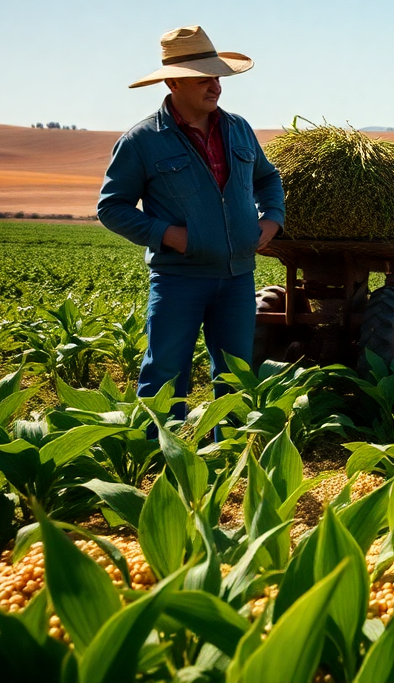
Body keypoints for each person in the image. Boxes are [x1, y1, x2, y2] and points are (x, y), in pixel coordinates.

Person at [97, 26, 284, 439]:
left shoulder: (239, 129)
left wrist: (272, 218)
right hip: (178, 278)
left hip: (237, 277)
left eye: (216, 77)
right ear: (172, 82)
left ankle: (230, 459)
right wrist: (168, 234)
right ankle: (153, 460)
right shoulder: (142, 141)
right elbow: (111, 207)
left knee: (235, 377)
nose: (215, 86)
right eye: (203, 78)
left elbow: (268, 179)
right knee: (165, 372)